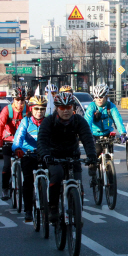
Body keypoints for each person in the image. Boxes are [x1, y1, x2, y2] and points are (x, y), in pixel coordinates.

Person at [37, 92, 97, 223]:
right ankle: (53, 208)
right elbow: (42, 140)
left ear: (73, 108)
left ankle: (77, 210)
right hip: (54, 156)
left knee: (78, 182)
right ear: (57, 109)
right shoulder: (49, 121)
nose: (66, 111)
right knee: (57, 175)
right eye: (62, 108)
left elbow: (87, 138)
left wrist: (92, 155)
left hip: (72, 155)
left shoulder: (78, 121)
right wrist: (46, 155)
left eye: (69, 107)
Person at [12, 96, 47, 222]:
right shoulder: (25, 122)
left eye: (42, 109)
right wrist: (17, 149)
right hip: (28, 155)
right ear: (31, 109)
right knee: (27, 182)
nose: (39, 111)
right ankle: (28, 210)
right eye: (36, 108)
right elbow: (18, 137)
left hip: (45, 155)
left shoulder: (49, 122)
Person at [85, 84, 127, 183]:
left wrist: (123, 133)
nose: (99, 99)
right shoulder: (92, 107)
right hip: (95, 134)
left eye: (101, 97)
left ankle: (110, 178)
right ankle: (93, 167)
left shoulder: (110, 106)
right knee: (97, 150)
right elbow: (87, 121)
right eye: (96, 97)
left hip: (107, 134)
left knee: (109, 155)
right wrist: (88, 135)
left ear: (106, 96)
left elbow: (117, 119)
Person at [0, 88, 29, 200]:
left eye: (22, 100)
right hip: (8, 140)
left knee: (28, 165)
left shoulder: (27, 110)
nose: (20, 103)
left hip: (23, 142)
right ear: (13, 100)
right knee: (6, 166)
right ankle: (5, 189)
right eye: (17, 100)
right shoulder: (7, 110)